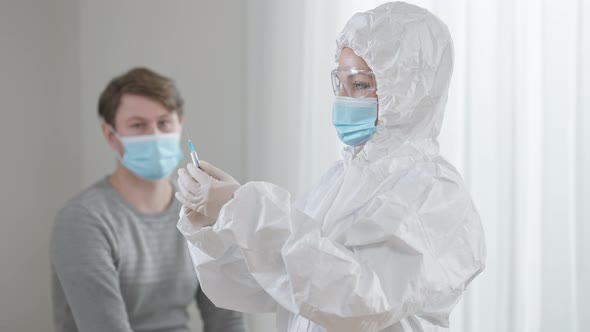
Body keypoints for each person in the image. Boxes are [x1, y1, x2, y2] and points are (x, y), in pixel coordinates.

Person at [175, 2, 486, 332]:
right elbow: (277, 283)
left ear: (411, 90)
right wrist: (219, 220)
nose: (343, 98)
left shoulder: (434, 192)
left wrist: (248, 211)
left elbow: (358, 302)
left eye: (361, 85)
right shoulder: (342, 180)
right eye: (340, 82)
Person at [50, 67, 247, 332]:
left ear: (180, 124)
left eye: (164, 122)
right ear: (111, 135)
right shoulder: (83, 220)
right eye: (138, 125)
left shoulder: (197, 211)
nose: (154, 135)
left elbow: (227, 318)